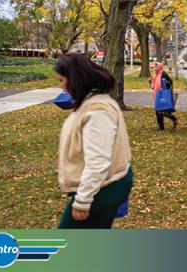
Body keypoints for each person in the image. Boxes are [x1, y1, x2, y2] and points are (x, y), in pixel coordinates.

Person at [54, 53, 133, 229]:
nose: (62, 86)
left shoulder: (98, 110)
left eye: (62, 80)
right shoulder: (92, 103)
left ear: (75, 79)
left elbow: (98, 162)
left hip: (102, 189)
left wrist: (83, 201)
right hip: (102, 187)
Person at [150, 62, 178, 130]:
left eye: (156, 67)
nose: (155, 68)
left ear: (160, 67)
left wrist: (166, 83)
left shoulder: (163, 74)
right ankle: (163, 126)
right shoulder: (155, 75)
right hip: (157, 94)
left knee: (161, 111)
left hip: (162, 95)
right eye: (154, 67)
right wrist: (150, 82)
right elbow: (153, 86)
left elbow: (170, 82)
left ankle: (170, 122)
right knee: (160, 111)